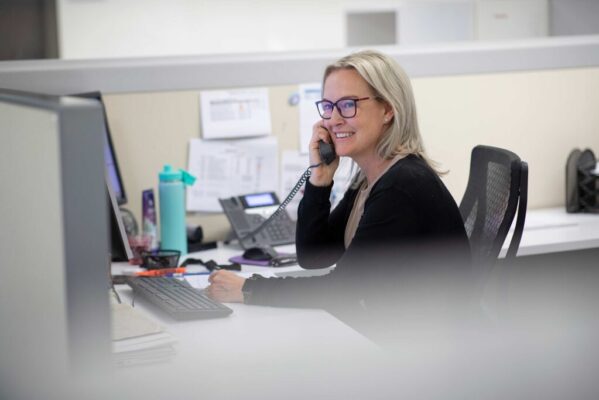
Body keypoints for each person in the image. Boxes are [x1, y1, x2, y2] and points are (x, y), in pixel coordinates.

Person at [206, 50, 472, 341]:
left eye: (347, 105)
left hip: (427, 354)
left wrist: (248, 289)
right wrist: (320, 179)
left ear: (388, 109)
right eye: (328, 106)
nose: (333, 120)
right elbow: (315, 255)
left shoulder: (402, 186)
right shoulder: (368, 177)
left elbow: (343, 290)